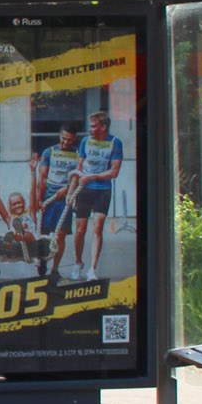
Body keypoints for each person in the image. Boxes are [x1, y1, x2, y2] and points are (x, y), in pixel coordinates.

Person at [68, 109, 124, 281]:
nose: (90, 129)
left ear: (103, 127)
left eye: (94, 126)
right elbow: (79, 168)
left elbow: (114, 172)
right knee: (80, 230)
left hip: (102, 190)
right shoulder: (85, 141)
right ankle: (78, 262)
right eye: (90, 126)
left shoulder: (115, 142)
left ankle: (92, 269)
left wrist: (92, 177)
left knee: (97, 228)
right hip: (84, 190)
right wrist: (71, 192)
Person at [29, 126, 83, 279]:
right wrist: (40, 199)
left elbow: (77, 177)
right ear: (60, 135)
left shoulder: (77, 155)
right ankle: (42, 259)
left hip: (65, 199)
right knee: (44, 234)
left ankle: (55, 269)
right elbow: (42, 178)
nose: (66, 142)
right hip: (49, 196)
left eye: (69, 140)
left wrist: (67, 189)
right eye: (64, 138)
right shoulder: (49, 152)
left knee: (60, 235)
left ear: (74, 140)